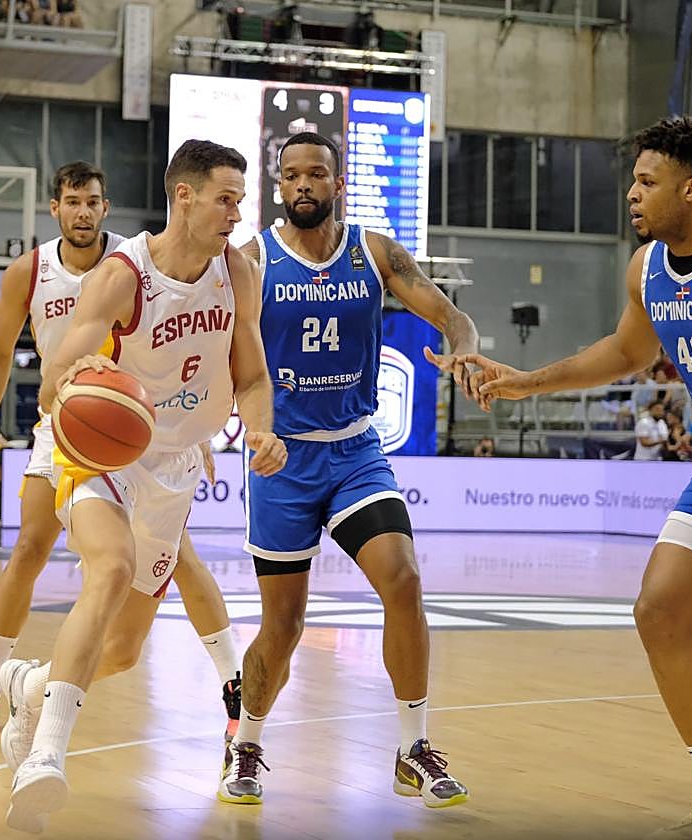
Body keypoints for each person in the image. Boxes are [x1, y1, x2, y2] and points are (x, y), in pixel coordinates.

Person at [455, 117, 692, 839]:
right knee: (662, 611)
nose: (632, 194)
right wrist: (527, 383)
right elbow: (625, 352)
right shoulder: (645, 268)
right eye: (633, 181)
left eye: (647, 182)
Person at [1, 140, 287, 833]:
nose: (236, 211)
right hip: (99, 455)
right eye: (226, 197)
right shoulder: (123, 274)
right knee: (111, 568)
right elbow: (57, 370)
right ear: (183, 196)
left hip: (175, 465)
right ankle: (45, 757)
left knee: (124, 651)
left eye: (240, 199)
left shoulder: (239, 274)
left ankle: (29, 687)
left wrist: (259, 430)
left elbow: (250, 375)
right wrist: (69, 387)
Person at [0, 162, 246, 751]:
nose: (82, 212)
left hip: (139, 429)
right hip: (66, 420)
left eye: (92, 201)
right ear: (56, 210)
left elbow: (190, 354)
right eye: (71, 202)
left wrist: (193, 433)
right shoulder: (30, 272)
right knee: (32, 545)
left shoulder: (139, 262)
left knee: (179, 559)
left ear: (104, 208)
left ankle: (233, 681)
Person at [224, 132, 478, 808]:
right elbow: (230, 361)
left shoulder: (373, 251)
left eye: (317, 174)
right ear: (279, 188)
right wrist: (253, 429)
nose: (304, 184)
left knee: (404, 579)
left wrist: (464, 349)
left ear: (338, 185)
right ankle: (246, 742)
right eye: (292, 175)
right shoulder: (252, 262)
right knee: (284, 627)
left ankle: (413, 746)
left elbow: (451, 316)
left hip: (355, 451)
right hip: (282, 458)